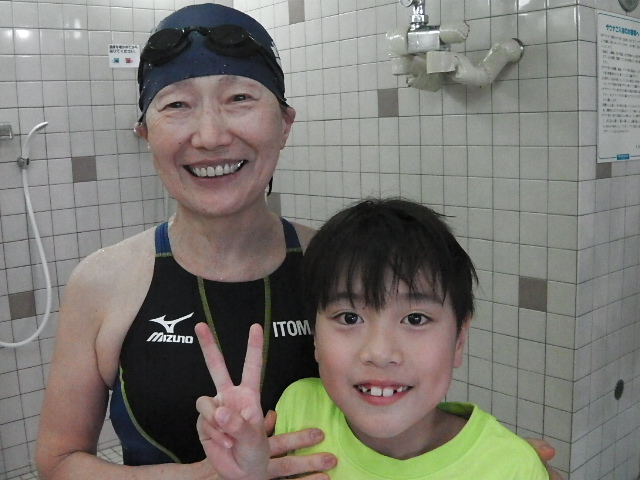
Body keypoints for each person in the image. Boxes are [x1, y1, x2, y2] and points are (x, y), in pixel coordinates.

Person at [35, 3, 562, 480]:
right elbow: (58, 462)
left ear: (284, 123)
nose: (211, 135)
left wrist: (493, 458)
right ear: (145, 133)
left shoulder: (338, 266)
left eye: (240, 98)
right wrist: (204, 478)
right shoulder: (102, 283)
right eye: (176, 106)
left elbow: (398, 390)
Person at [194, 198, 550, 480]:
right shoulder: (299, 407)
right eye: (349, 318)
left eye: (415, 319)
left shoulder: (511, 468)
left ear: (459, 339)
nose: (379, 353)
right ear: (315, 335)